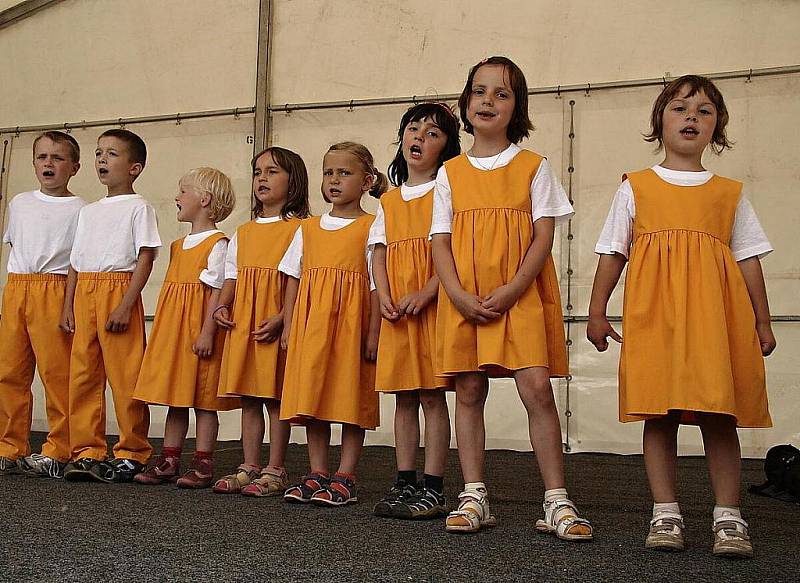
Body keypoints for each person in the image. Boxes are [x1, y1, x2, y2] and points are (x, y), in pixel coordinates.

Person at [588, 75, 775, 558]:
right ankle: (666, 512)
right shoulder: (636, 188)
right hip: (656, 320)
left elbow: (749, 258)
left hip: (716, 322)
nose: (692, 116)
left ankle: (729, 517)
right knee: (660, 412)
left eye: (705, 110)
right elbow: (613, 251)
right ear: (659, 121)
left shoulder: (728, 194)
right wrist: (595, 309)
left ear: (718, 128)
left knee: (719, 413)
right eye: (680, 108)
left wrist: (762, 321)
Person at [430, 56, 592, 539]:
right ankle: (474, 492)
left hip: (519, 297)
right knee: (469, 390)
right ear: (465, 102)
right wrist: (457, 294)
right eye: (480, 91)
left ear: (516, 107)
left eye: (502, 94)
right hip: (465, 299)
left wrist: (514, 287)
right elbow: (439, 241)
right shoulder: (450, 173)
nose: (488, 101)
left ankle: (557, 501)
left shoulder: (534, 167)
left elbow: (544, 237)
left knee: (537, 390)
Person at [278, 141, 385, 506]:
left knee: (350, 397)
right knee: (313, 397)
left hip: (352, 327)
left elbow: (375, 284)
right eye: (328, 173)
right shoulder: (307, 229)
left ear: (367, 181)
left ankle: (346, 475)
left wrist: (373, 333)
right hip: (312, 327)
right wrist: (290, 326)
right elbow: (293, 277)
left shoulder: (372, 227)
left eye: (345, 172)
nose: (334, 180)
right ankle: (318, 471)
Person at [370, 102, 460, 519]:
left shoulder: (449, 189)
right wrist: (385, 295)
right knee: (403, 397)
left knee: (432, 395)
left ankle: (435, 486)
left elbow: (455, 252)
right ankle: (405, 481)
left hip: (433, 309)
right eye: (413, 128)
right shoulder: (389, 201)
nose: (419, 137)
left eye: (433, 132)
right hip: (397, 314)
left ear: (447, 147)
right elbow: (379, 253)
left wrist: (428, 292)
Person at [62, 129, 161, 483]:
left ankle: (132, 450)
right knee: (83, 374)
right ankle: (87, 449)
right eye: (99, 153)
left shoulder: (139, 207)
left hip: (117, 289)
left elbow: (145, 257)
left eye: (113, 154)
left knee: (125, 375)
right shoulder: (88, 211)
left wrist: (125, 304)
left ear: (135, 168)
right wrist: (68, 305)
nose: (102, 160)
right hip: (85, 290)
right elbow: (76, 261)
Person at [212, 147, 310, 496]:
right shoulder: (244, 230)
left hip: (276, 319)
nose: (262, 178)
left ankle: (275, 467)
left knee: (276, 397)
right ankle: (249, 464)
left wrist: (284, 318)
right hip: (245, 322)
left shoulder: (301, 229)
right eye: (257, 172)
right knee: (249, 396)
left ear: (293, 180)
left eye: (272, 172)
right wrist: (221, 307)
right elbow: (232, 275)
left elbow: (300, 279)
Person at [133, 167, 238, 488]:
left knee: (204, 400)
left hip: (198, 333)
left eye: (183, 191)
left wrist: (207, 332)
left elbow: (217, 292)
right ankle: (169, 459)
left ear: (204, 199)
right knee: (176, 398)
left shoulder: (218, 244)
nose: (176, 197)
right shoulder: (179, 245)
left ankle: (203, 462)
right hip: (175, 332)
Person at [0, 131, 85, 478]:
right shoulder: (19, 202)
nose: (48, 163)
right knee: (9, 371)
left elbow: (77, 260)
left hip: (54, 287)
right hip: (18, 287)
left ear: (74, 167)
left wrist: (68, 303)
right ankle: (10, 445)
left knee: (56, 372)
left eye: (58, 158)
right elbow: (16, 246)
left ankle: (59, 447)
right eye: (42, 157)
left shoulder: (81, 209)